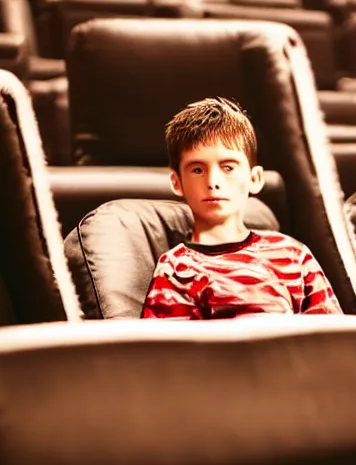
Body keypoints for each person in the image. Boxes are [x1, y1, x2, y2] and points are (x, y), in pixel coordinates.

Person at [141, 97, 342, 319]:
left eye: (228, 167)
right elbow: (169, 350)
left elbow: (334, 341)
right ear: (177, 183)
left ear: (255, 178)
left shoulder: (294, 254)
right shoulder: (176, 268)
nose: (213, 181)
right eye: (197, 170)